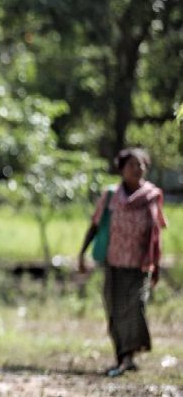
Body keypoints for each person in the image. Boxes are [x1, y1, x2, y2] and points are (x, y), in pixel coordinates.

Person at [78, 148, 166, 378]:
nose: (137, 169)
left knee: (135, 307)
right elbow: (95, 225)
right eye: (132, 165)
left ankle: (130, 354)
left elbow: (156, 233)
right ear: (122, 169)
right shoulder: (110, 196)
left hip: (140, 264)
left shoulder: (152, 196)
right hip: (114, 261)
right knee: (114, 310)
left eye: (141, 165)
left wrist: (156, 262)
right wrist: (82, 253)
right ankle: (123, 356)